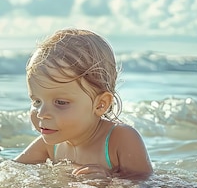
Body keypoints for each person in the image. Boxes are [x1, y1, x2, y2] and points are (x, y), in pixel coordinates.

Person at [14, 28, 153, 178]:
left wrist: (109, 182)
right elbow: (11, 170)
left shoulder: (121, 139)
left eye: (60, 102)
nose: (41, 114)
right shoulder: (50, 144)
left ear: (101, 104)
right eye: (36, 101)